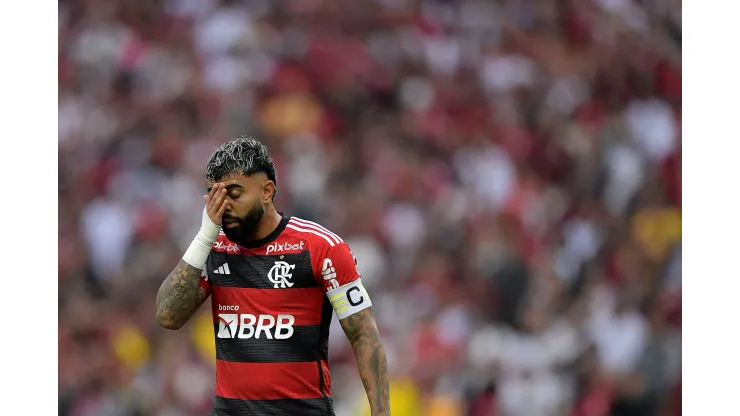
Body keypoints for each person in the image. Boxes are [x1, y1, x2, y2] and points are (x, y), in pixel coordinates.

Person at [155, 137, 391, 416]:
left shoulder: (320, 247)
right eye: (214, 194)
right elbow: (168, 315)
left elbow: (363, 333)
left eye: (234, 193)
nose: (223, 206)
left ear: (267, 191)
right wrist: (205, 235)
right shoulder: (213, 248)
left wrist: (380, 413)